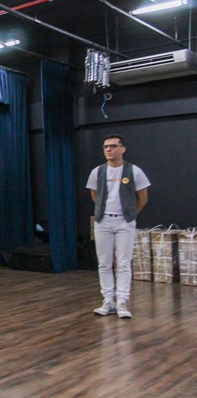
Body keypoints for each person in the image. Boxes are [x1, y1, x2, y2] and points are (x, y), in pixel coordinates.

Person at [86, 134, 150, 319]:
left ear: (122, 149)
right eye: (106, 146)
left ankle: (122, 301)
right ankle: (108, 301)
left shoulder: (134, 171)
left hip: (125, 221)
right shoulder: (97, 171)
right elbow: (94, 196)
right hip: (103, 221)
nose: (109, 149)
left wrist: (130, 215)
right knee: (104, 263)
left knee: (123, 262)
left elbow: (143, 198)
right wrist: (102, 211)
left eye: (113, 146)